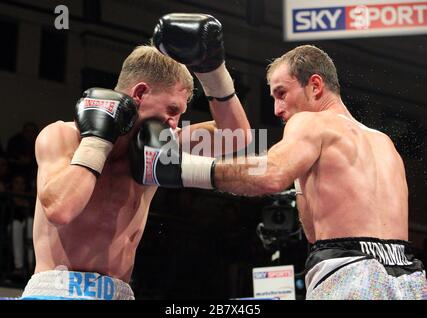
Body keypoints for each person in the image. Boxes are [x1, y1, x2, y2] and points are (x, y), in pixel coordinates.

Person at [134, 45, 427, 300]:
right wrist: (302, 176)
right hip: (409, 278)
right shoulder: (384, 142)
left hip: (350, 273)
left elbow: (270, 175)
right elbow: (313, 230)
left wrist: (181, 170)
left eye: (282, 93)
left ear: (315, 85)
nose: (276, 109)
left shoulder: (311, 123)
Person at [21, 13, 251, 300]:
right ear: (140, 92)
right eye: (172, 110)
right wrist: (97, 141)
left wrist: (213, 71)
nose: (174, 123)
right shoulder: (63, 136)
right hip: (58, 290)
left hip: (120, 292)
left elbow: (237, 136)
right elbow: (60, 210)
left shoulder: (161, 146)